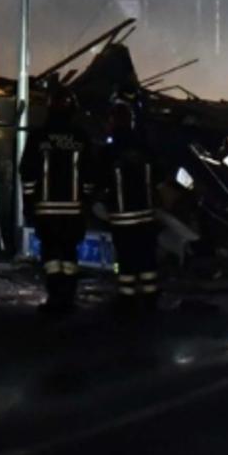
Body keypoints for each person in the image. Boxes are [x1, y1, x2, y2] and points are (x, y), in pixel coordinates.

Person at [20, 87, 95, 314]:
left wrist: (29, 203)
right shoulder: (81, 138)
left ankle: (55, 298)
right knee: (69, 253)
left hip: (46, 210)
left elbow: (27, 172)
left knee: (51, 254)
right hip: (73, 211)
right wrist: (87, 201)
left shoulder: (38, 137)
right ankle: (68, 298)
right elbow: (91, 174)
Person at [103, 93, 160, 314]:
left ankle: (127, 299)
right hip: (146, 215)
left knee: (126, 260)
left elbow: (100, 179)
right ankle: (150, 298)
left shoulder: (110, 151)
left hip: (122, 217)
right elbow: (159, 175)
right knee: (147, 258)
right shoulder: (145, 149)